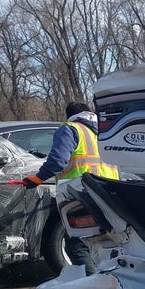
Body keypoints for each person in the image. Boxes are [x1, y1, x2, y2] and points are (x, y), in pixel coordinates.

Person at [23, 101, 119, 270]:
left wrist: (38, 179)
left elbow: (57, 163)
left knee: (78, 246)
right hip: (111, 194)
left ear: (70, 116)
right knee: (107, 244)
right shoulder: (107, 131)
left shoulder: (70, 129)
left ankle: (95, 288)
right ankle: (112, 284)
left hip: (82, 195)